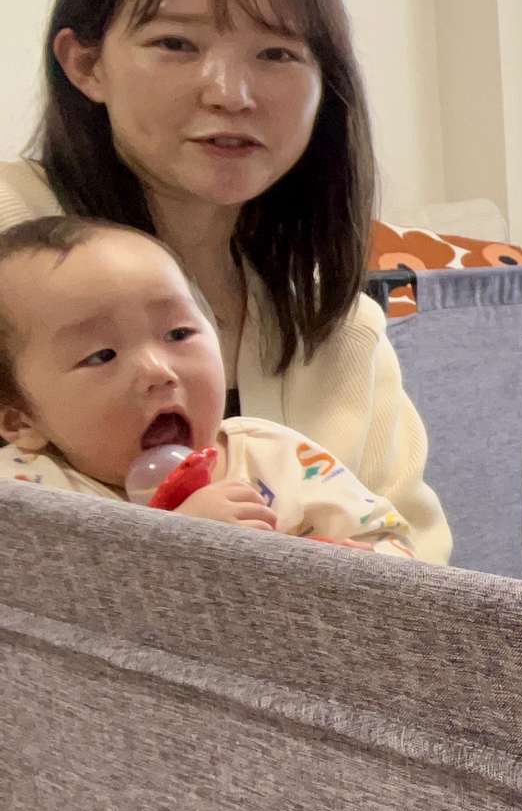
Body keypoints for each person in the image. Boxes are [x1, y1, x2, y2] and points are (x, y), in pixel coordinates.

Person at [0, 0, 449, 561]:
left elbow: (423, 568)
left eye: (277, 54)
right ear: (86, 64)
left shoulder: (337, 327)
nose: (230, 94)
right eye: (175, 44)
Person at [1, 216, 415, 556]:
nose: (158, 371)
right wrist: (177, 544)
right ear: (20, 420)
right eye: (101, 356)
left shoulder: (275, 456)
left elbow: (395, 548)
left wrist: (357, 564)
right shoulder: (27, 490)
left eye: (179, 334)